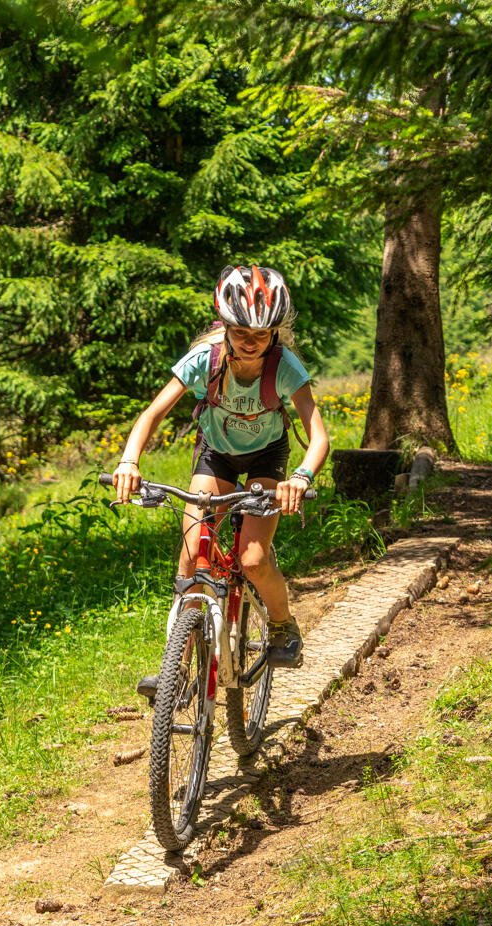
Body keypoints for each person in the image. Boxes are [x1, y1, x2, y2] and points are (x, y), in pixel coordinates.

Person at [111, 265, 330, 695]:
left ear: (275, 335)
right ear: (225, 327)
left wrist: (301, 478)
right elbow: (152, 415)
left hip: (267, 456)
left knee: (251, 558)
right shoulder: (204, 360)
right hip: (216, 456)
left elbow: (318, 435)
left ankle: (284, 626)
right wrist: (129, 462)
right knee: (194, 553)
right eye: (241, 333)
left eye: (262, 335)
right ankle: (176, 669)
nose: (251, 344)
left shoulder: (284, 366)